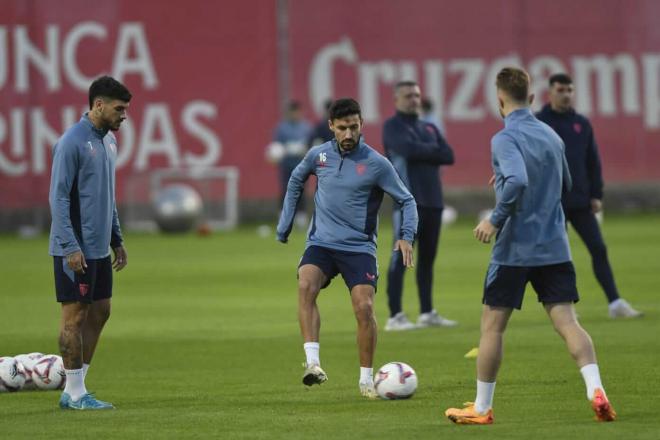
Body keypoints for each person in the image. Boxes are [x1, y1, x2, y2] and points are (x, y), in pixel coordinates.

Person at [445, 67, 616, 424]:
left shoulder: (504, 139)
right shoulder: (552, 135)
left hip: (514, 250)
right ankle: (595, 389)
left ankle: (481, 408)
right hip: (554, 246)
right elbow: (566, 184)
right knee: (568, 323)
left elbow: (519, 180)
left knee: (492, 327)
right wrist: (513, 181)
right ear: (534, 98)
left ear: (499, 99)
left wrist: (495, 216)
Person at [276, 98, 418, 398]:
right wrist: (285, 222)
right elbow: (295, 180)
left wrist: (406, 235)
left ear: (361, 124)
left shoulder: (377, 164)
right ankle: (313, 364)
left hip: (358, 248)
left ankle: (366, 380)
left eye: (354, 127)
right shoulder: (319, 156)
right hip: (322, 243)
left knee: (364, 309)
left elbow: (406, 200)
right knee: (305, 285)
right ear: (331, 127)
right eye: (342, 128)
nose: (349, 134)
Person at [49, 76, 131, 410]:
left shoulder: (109, 142)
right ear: (98, 105)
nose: (123, 115)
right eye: (119, 108)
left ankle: (76, 386)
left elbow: (107, 197)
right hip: (75, 248)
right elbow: (57, 198)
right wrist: (70, 246)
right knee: (74, 317)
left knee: (101, 311)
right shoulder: (71, 142)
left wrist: (117, 239)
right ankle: (74, 391)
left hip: (98, 247)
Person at [536, 73, 642, 318]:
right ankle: (563, 305)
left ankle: (615, 303)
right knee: (557, 256)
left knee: (598, 248)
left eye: (569, 90)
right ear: (550, 92)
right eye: (561, 89)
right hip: (553, 202)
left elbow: (593, 161)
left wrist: (596, 193)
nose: (566, 94)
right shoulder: (540, 123)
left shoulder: (581, 124)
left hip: (581, 201)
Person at [382, 81, 456, 331]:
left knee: (427, 260)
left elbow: (448, 155)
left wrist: (425, 150)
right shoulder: (392, 126)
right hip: (407, 203)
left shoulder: (429, 126)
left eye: (416, 95)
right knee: (400, 259)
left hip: (433, 201)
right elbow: (406, 150)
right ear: (396, 100)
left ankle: (426, 312)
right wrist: (430, 151)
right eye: (408, 95)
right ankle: (395, 316)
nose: (414, 99)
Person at [271, 100, 313, 227]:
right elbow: (276, 146)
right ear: (289, 113)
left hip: (301, 165)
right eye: (293, 112)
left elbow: (311, 145)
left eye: (297, 112)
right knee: (286, 190)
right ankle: (283, 217)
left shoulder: (306, 127)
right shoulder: (282, 128)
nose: (295, 114)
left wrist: (303, 148)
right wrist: (285, 149)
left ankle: (301, 217)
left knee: (301, 190)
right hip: (286, 165)